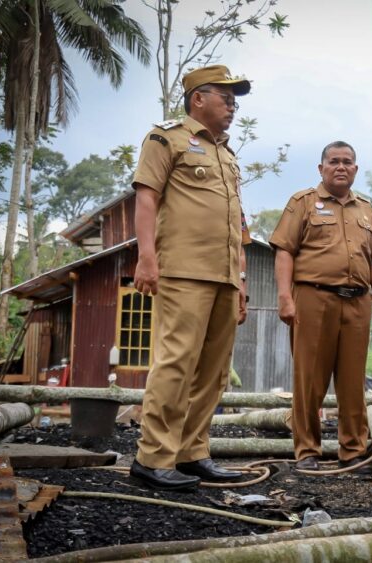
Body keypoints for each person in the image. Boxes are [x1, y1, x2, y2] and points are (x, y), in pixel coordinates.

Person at [130, 65, 252, 490]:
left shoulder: (227, 155)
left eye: (235, 97)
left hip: (223, 277)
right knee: (176, 362)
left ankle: (191, 451)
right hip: (181, 270)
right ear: (198, 98)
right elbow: (147, 199)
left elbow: (236, 221)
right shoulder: (165, 138)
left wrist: (240, 277)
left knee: (214, 371)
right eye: (226, 95)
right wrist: (147, 257)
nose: (233, 104)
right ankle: (152, 457)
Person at [270, 141, 372, 471]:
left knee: (353, 381)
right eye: (333, 161)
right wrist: (284, 297)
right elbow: (284, 251)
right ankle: (307, 451)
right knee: (310, 378)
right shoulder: (303, 203)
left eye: (347, 162)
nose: (341, 167)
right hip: (313, 298)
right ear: (321, 168)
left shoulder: (366, 209)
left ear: (355, 169)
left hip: (358, 303)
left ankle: (352, 450)